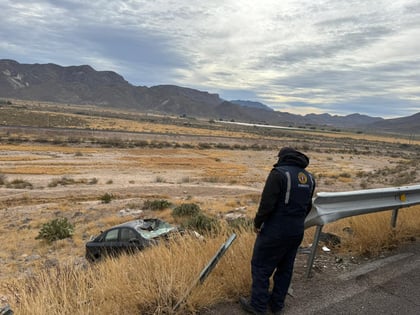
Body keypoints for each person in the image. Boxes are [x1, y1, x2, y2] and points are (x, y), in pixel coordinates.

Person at [240, 147, 316, 315]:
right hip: (296, 230)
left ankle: (258, 306)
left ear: (283, 157)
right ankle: (277, 305)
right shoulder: (309, 178)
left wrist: (258, 222)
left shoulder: (278, 174)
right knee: (286, 268)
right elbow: (308, 206)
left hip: (275, 230)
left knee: (261, 266)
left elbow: (267, 204)